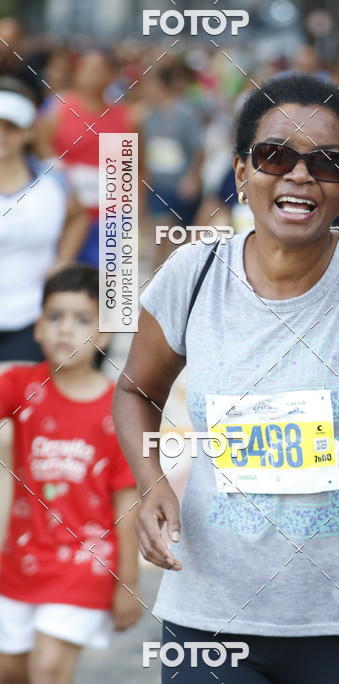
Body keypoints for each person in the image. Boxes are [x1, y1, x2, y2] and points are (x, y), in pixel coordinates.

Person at [114, 73, 339, 683]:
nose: (299, 175)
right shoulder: (195, 271)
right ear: (241, 174)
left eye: (328, 164)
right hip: (210, 618)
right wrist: (152, 483)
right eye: (274, 155)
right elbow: (135, 389)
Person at [0, 265, 142, 684]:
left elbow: (127, 504)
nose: (66, 330)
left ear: (103, 336)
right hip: (20, 563)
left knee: (48, 669)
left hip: (85, 565)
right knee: (11, 672)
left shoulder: (118, 411)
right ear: (38, 326)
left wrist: (127, 583)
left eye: (82, 320)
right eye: (55, 317)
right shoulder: (20, 386)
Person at [0, 79, 88, 363]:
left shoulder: (53, 179)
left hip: (31, 317)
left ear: (27, 133)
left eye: (10, 127)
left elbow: (78, 217)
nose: (2, 135)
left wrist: (63, 261)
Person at [37, 49, 135, 267]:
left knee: (107, 286)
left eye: (99, 70)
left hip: (110, 217)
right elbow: (41, 152)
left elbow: (135, 169)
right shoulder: (57, 110)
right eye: (88, 69)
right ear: (77, 73)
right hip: (66, 214)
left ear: (111, 75)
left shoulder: (126, 117)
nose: (93, 75)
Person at [141, 65, 204, 263]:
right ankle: (157, 274)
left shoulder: (184, 114)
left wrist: (192, 177)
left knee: (176, 237)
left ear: (162, 86)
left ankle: (171, 273)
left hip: (179, 186)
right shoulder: (148, 115)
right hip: (157, 185)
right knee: (160, 229)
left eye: (151, 84)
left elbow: (198, 149)